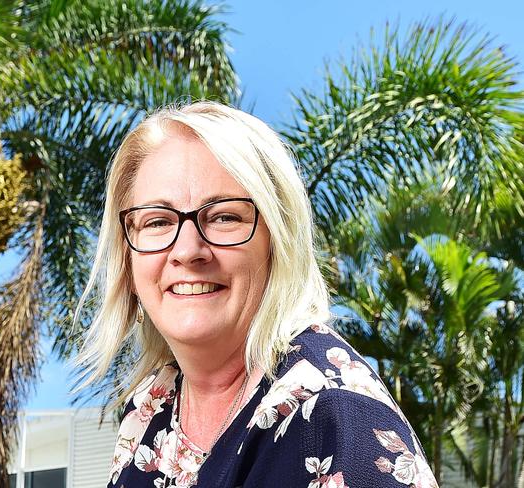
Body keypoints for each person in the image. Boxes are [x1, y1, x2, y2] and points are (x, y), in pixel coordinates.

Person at [75, 101, 438, 488]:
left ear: (277, 242)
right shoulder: (151, 409)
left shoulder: (330, 416)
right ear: (128, 261)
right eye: (157, 221)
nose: (187, 250)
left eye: (224, 217)